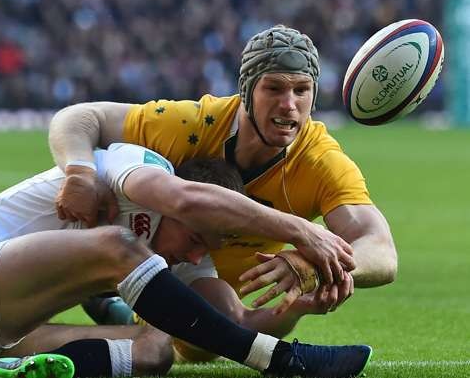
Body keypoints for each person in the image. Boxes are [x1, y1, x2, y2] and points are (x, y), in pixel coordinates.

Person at [0, 143, 371, 378]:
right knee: (118, 250)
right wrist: (297, 229)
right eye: (201, 237)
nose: (201, 254)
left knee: (156, 351)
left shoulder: (180, 252)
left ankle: (12, 375)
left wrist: (298, 309)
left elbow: (224, 328)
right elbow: (181, 200)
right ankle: (282, 364)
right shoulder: (136, 169)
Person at [48, 24, 397, 360]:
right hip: (139, 252)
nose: (289, 104)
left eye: (301, 90)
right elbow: (81, 117)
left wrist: (312, 268)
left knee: (203, 346)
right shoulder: (193, 125)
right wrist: (79, 172)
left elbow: (380, 249)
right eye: (274, 88)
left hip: (208, 291)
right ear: (246, 91)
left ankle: (119, 313)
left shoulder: (321, 162)